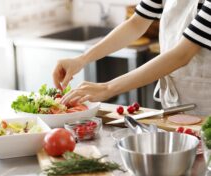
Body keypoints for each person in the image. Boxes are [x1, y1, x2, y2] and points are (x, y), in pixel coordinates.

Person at [53, 0, 211, 116]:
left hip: (206, 103)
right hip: (175, 99)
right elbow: (136, 23)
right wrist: (82, 59)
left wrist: (107, 88)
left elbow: (181, 54)